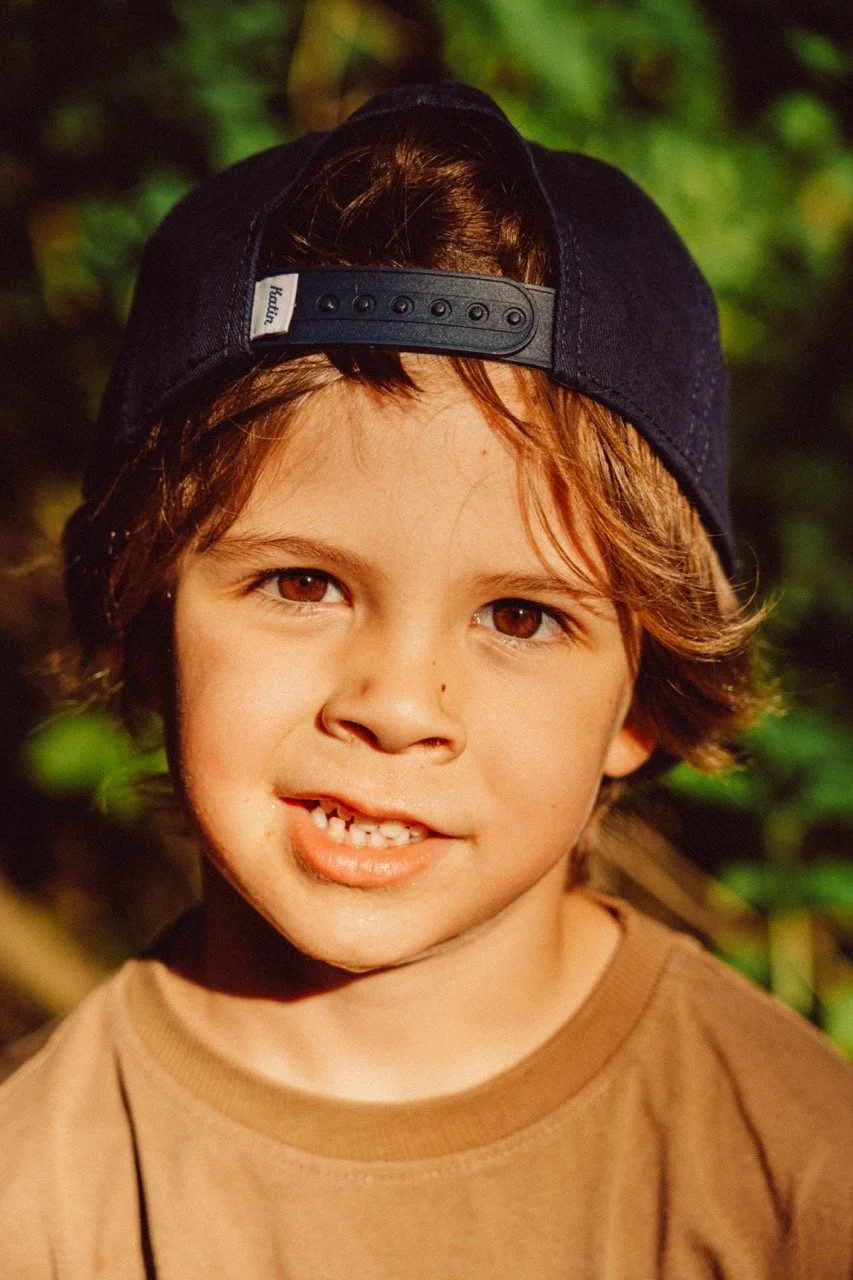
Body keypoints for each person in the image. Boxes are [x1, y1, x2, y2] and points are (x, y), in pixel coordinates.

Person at [2, 81, 851, 1279]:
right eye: (300, 584)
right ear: (148, 615)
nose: (397, 707)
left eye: (519, 614)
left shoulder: (802, 1179)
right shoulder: (36, 1199)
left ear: (647, 690)